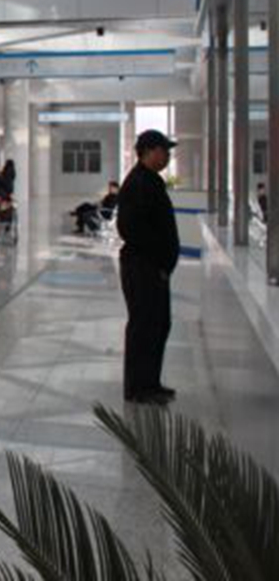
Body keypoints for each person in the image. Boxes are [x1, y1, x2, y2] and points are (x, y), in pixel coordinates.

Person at [116, 129, 179, 405]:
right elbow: (128, 227)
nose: (167, 157)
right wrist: (157, 258)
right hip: (142, 267)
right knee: (144, 325)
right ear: (149, 151)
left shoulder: (151, 180)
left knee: (158, 324)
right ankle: (138, 388)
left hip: (153, 267)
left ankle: (150, 383)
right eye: (164, 151)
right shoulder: (139, 183)